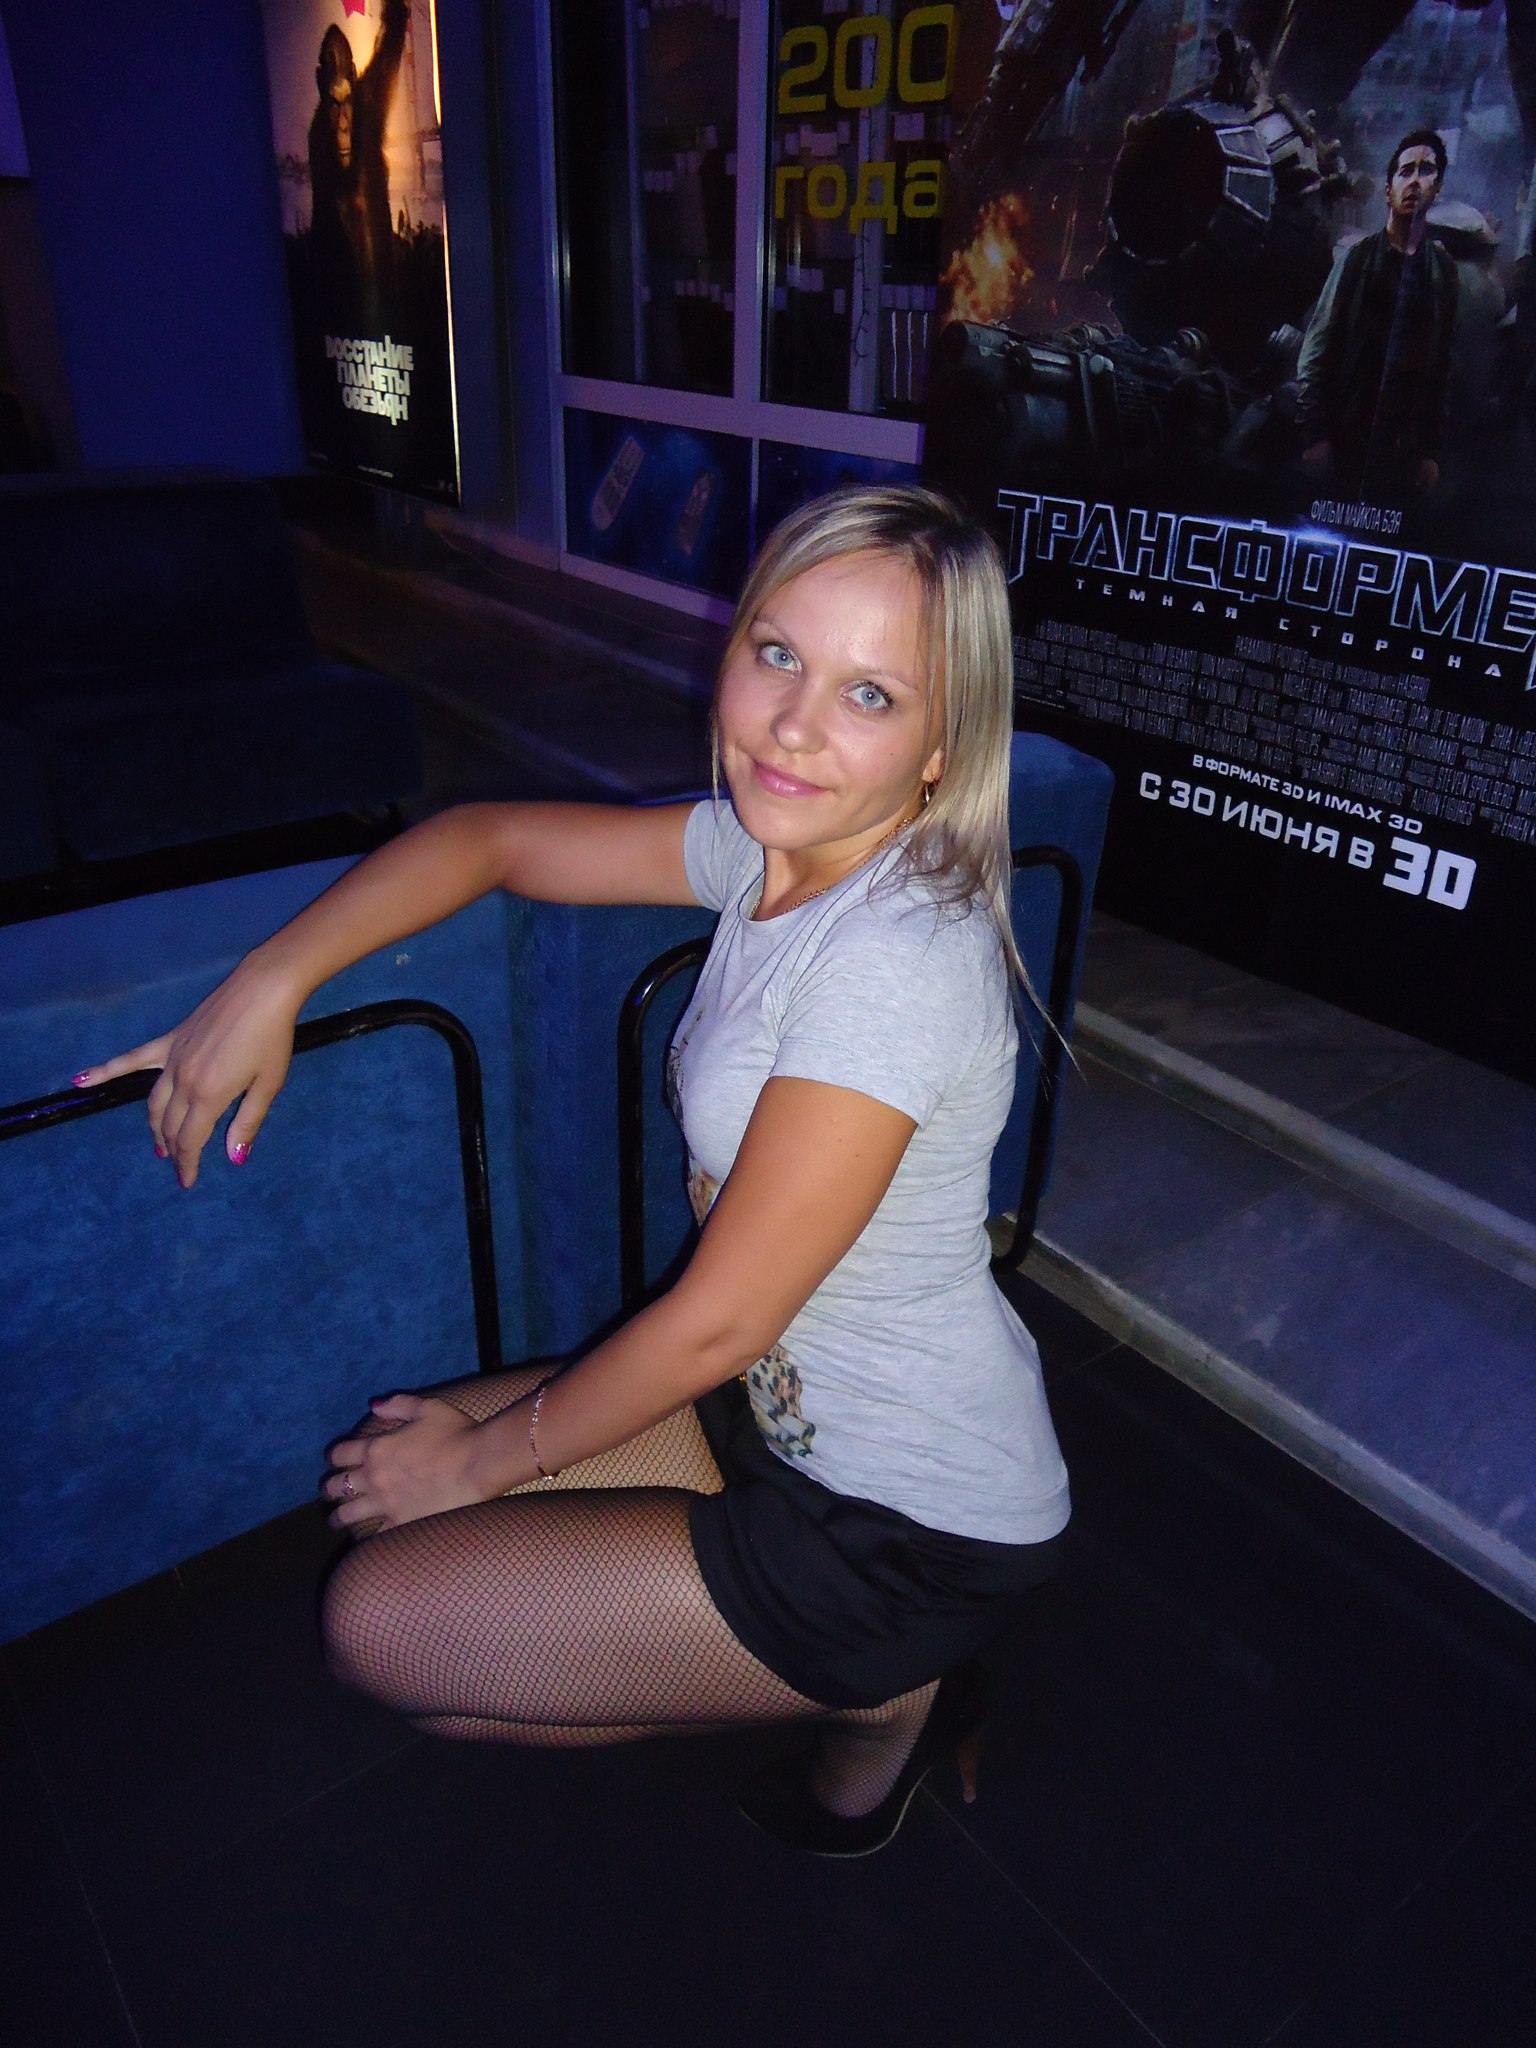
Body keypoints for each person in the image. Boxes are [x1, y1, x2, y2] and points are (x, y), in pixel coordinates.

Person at [75, 486, 1070, 1856]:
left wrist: (487, 1463)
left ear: (941, 747)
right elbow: (491, 840)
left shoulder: (898, 957)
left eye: (869, 694)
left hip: (902, 1524)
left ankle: (892, 1692)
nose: (793, 724)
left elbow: (720, 1319)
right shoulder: (771, 853)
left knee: (379, 1625)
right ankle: (836, 1671)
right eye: (777, 653)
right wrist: (271, 980)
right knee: (391, 1497)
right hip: (765, 1416)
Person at [1297, 128, 1459, 503]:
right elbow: (1315, 351)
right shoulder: (1356, 259)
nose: (1415, 181)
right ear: (1388, 190)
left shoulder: (1442, 271)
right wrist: (1314, 435)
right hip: (1343, 437)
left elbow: (1442, 366)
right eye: (1406, 171)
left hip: (1402, 451)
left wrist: (1431, 451)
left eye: (1426, 171)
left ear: (1438, 189)